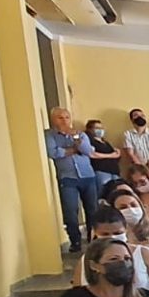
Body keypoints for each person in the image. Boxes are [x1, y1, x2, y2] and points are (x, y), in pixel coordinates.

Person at [75, 203, 149, 297]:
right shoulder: (85, 260)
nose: (112, 237)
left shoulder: (144, 253)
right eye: (105, 234)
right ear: (95, 233)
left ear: (126, 230)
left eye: (117, 233)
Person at [43, 107, 101, 254]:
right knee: (70, 211)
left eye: (67, 117)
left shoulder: (80, 134)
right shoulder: (49, 135)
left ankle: (94, 240)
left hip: (88, 176)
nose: (64, 121)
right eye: (60, 118)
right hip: (67, 177)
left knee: (92, 210)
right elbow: (54, 152)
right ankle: (75, 241)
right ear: (53, 120)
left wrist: (75, 138)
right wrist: (75, 150)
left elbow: (88, 151)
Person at [84, 117, 124, 189]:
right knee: (103, 191)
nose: (100, 130)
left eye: (101, 128)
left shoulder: (106, 142)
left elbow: (114, 155)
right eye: (97, 128)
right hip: (101, 171)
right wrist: (111, 155)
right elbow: (92, 154)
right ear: (90, 129)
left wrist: (117, 153)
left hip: (114, 171)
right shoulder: (89, 141)